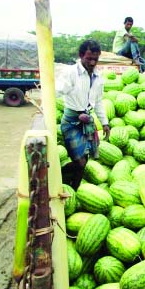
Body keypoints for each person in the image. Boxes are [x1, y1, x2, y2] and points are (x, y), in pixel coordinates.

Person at [55, 39, 110, 190]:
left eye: (95, 59)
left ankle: (75, 189)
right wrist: (44, 101)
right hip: (72, 122)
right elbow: (57, 90)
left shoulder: (98, 78)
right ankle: (58, 178)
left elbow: (98, 102)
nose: (92, 62)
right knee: (79, 161)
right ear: (80, 55)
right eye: (89, 58)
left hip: (87, 123)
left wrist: (105, 123)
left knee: (84, 160)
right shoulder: (71, 73)